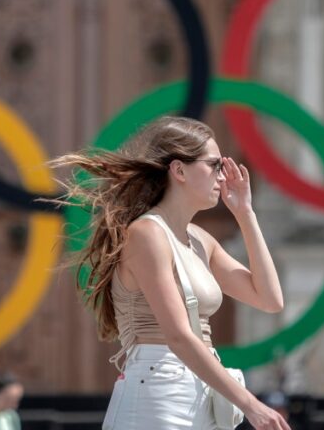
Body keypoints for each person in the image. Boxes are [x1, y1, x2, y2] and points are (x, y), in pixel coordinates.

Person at [51, 117, 291, 430]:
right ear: (179, 170)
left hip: (200, 387)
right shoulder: (147, 234)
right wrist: (250, 404)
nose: (223, 176)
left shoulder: (200, 240)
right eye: (214, 165)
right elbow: (177, 335)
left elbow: (270, 299)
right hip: (157, 387)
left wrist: (246, 214)